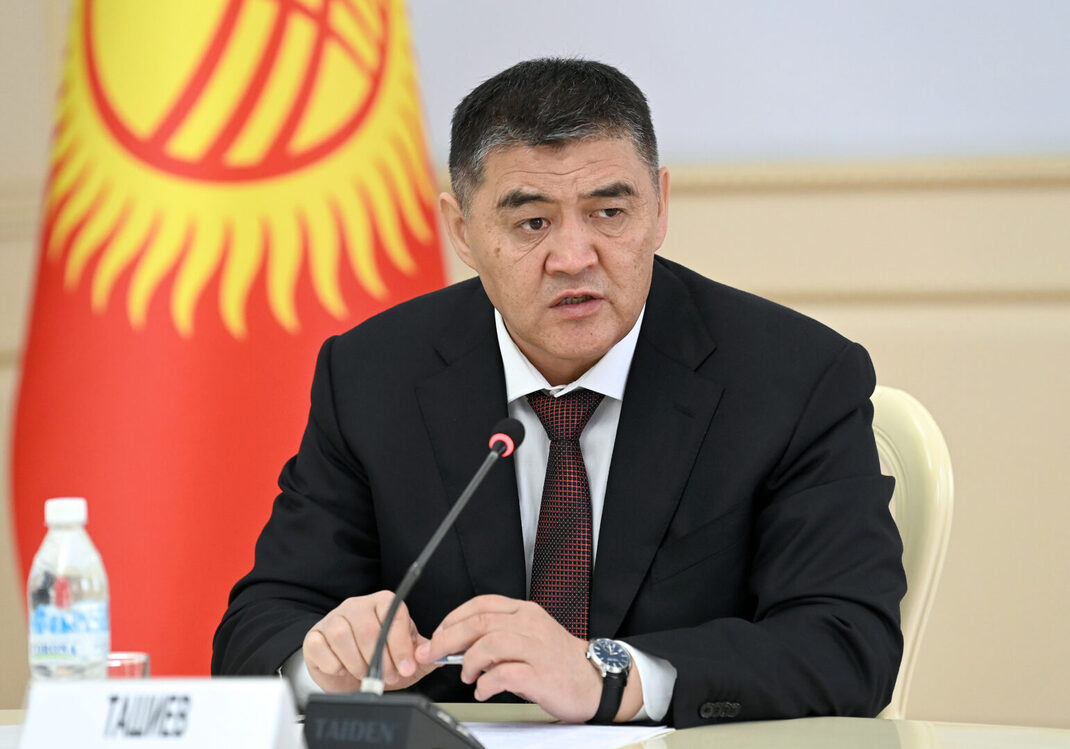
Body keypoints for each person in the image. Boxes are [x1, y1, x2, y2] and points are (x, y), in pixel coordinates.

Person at [212, 58, 905, 728]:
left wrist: (612, 677)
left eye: (610, 212)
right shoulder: (374, 374)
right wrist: (322, 661)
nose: (575, 257)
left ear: (660, 208)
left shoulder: (794, 379)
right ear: (462, 231)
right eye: (532, 223)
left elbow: (847, 641)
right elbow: (261, 624)